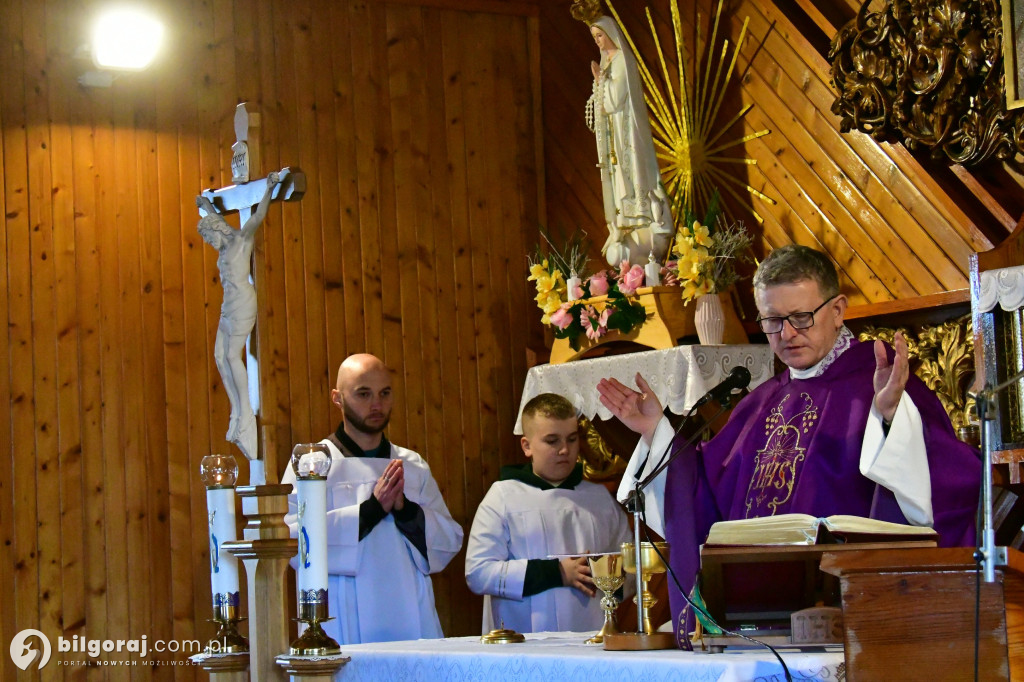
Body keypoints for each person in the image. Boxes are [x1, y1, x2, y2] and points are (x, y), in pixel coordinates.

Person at [596, 244, 981, 643]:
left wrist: (890, 421)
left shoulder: (884, 385)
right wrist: (655, 431)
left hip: (848, 627)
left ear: (837, 311)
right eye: (773, 321)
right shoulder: (759, 403)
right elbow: (703, 496)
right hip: (753, 627)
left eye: (801, 317)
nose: (788, 334)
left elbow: (946, 488)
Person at [281, 353, 464, 644]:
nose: (376, 404)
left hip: (410, 614)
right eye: (363, 394)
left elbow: (447, 543)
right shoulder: (310, 466)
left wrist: (406, 512)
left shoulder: (412, 465)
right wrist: (370, 511)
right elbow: (293, 542)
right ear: (337, 398)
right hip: (340, 619)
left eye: (384, 393)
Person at [465, 393, 632, 634]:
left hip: (594, 637)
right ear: (527, 446)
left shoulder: (599, 499)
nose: (565, 450)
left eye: (572, 439)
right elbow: (478, 573)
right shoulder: (502, 497)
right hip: (523, 641)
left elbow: (630, 569)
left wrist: (604, 575)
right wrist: (556, 573)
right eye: (552, 441)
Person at [196, 172, 279, 462]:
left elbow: (257, 217)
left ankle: (245, 413)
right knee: (219, 356)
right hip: (227, 304)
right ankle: (237, 410)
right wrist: (207, 205)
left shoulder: (242, 241)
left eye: (210, 237)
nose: (210, 242)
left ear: (217, 231)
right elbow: (214, 219)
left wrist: (269, 188)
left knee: (232, 356)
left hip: (243, 301)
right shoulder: (223, 243)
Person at [586, 16, 673, 267]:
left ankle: (641, 218)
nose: (598, 42)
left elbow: (615, 99)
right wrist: (600, 80)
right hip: (615, 132)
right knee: (617, 174)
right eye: (594, 38)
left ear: (611, 34)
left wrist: (601, 81)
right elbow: (604, 105)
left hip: (628, 131)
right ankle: (625, 220)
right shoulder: (608, 62)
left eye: (600, 36)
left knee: (631, 170)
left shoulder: (623, 60)